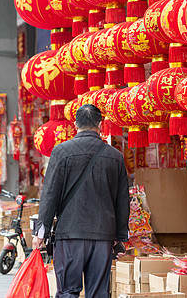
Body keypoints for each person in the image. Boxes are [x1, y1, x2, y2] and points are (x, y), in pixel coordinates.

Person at [32, 104, 130, 297]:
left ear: (75, 124)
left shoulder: (61, 152)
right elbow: (122, 200)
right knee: (98, 293)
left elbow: (50, 194)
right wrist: (121, 237)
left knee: (68, 290)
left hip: (70, 233)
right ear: (100, 125)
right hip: (103, 235)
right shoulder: (115, 157)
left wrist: (40, 232)